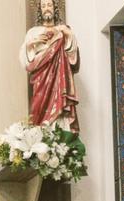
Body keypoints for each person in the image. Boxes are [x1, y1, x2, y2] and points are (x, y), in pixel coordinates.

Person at [20, 0, 80, 132]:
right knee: (38, 108)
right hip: (41, 79)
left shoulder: (63, 29)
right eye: (43, 6)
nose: (47, 8)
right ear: (40, 10)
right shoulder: (33, 32)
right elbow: (27, 62)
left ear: (54, 7)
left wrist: (69, 35)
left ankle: (60, 134)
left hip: (60, 79)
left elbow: (72, 57)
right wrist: (31, 44)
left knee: (60, 110)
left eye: (49, 5)